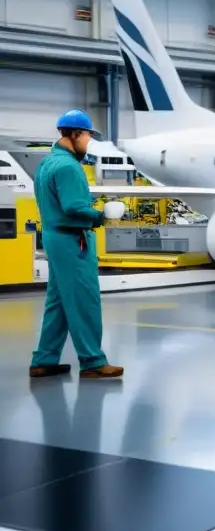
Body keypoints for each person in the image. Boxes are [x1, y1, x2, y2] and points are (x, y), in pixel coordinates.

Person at [29, 110, 123, 380]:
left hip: (55, 237)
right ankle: (93, 361)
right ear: (75, 134)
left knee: (57, 302)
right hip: (73, 240)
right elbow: (73, 206)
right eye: (87, 137)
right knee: (84, 300)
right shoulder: (70, 167)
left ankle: (44, 360)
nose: (88, 143)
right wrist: (102, 215)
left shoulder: (47, 163)